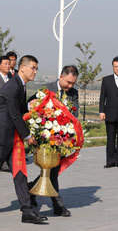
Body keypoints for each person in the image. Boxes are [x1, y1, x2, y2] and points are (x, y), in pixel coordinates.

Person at [0, 55, 47, 224]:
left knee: (19, 173)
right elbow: (14, 115)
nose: (35, 71)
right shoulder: (13, 86)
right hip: (0, 136)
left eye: (36, 68)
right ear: (22, 68)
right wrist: (28, 136)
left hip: (12, 136)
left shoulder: (20, 85)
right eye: (32, 68)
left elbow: (20, 110)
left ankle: (27, 211)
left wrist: (33, 106)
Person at [29, 65, 79, 217]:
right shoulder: (47, 88)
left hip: (62, 138)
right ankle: (58, 205)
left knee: (52, 170)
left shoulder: (73, 93)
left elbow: (74, 112)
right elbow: (31, 104)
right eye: (68, 82)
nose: (70, 86)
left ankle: (30, 189)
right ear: (61, 76)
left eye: (73, 83)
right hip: (45, 136)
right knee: (52, 170)